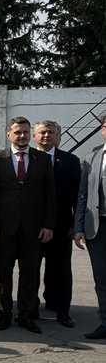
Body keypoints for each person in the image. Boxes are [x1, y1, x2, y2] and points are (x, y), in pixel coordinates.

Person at [0, 116, 55, 333]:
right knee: (4, 274)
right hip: (4, 228)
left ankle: (26, 314)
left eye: (26, 132)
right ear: (9, 134)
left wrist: (48, 225)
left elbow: (51, 196)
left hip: (33, 229)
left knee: (29, 274)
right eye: (18, 132)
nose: (22, 136)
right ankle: (4, 313)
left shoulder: (43, 160)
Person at [34, 120, 81, 327]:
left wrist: (74, 224)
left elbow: (77, 195)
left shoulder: (70, 161)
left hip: (61, 227)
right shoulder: (26, 159)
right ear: (35, 136)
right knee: (31, 270)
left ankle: (62, 310)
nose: (46, 136)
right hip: (32, 226)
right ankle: (29, 308)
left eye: (51, 133)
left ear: (58, 137)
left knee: (61, 270)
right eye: (42, 133)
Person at [73, 112, 106, 339]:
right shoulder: (92, 157)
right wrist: (79, 227)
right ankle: (105, 322)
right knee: (102, 280)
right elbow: (82, 195)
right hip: (98, 227)